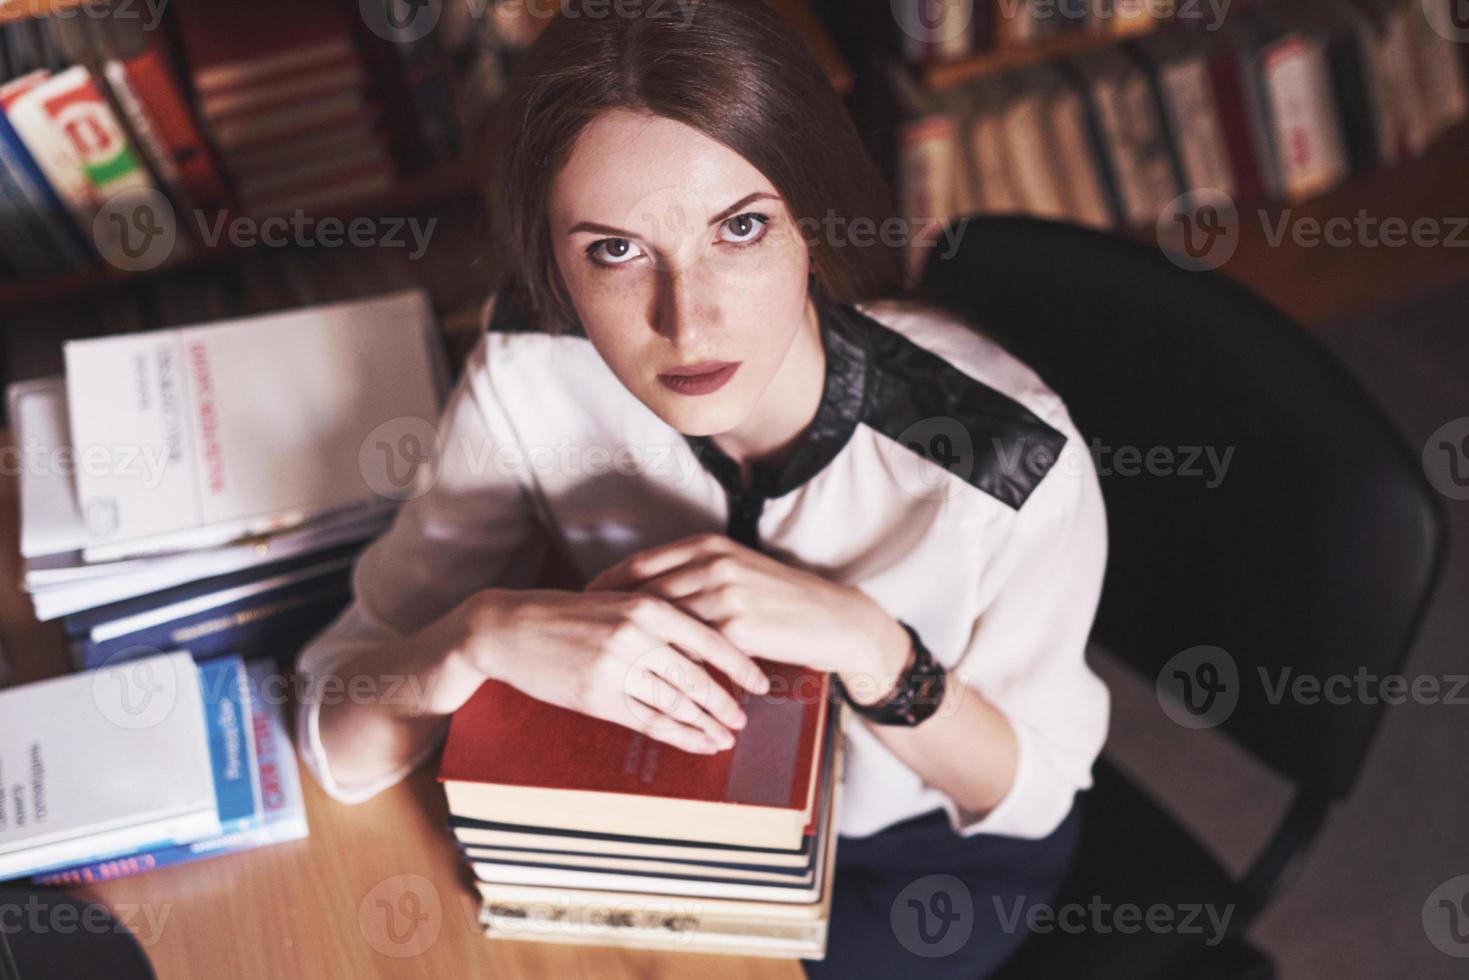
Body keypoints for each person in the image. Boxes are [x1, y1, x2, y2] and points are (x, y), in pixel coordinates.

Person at [295, 1, 1109, 975]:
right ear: (547, 255)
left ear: (813, 211)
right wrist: (472, 637)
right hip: (674, 815)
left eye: (741, 227)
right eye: (613, 250)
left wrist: (872, 647)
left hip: (916, 856)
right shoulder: (530, 361)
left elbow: (1030, 792)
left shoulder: (1005, 458)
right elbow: (337, 727)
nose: (687, 322)